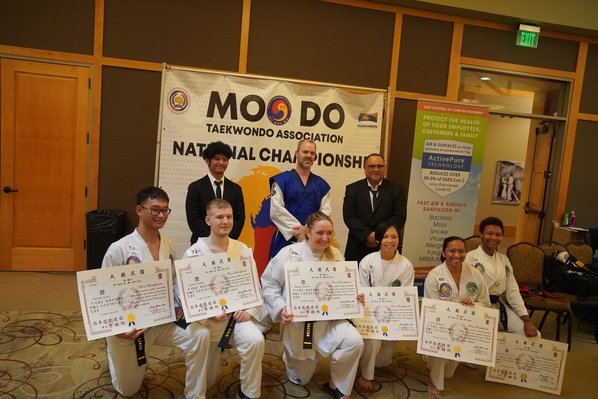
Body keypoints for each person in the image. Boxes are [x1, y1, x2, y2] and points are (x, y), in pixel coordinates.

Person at [101, 186, 207, 399]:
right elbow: (104, 294)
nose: (161, 215)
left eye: (165, 210)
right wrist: (116, 329)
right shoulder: (119, 249)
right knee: (128, 390)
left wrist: (178, 304)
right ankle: (113, 351)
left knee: (201, 335)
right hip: (131, 328)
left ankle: (196, 395)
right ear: (139, 210)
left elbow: (174, 280)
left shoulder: (167, 243)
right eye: (155, 210)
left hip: (162, 319)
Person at [261, 211, 364, 399]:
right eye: (320, 233)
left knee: (354, 341)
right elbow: (269, 283)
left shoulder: (337, 255)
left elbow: (343, 286)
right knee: (301, 379)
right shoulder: (289, 254)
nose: (325, 238)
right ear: (308, 232)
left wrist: (354, 297)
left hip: (330, 321)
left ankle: (338, 386)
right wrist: (280, 307)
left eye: (329, 233)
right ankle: (293, 360)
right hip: (300, 324)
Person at [182, 199, 265, 399]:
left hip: (235, 319)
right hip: (204, 322)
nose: (225, 221)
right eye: (219, 217)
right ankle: (195, 395)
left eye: (229, 217)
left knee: (256, 340)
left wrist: (249, 311)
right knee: (208, 377)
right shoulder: (193, 253)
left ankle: (249, 393)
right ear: (208, 220)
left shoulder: (242, 249)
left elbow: (254, 286)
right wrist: (208, 313)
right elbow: (183, 294)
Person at [424, 236, 490, 398]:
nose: (457, 255)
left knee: (449, 374)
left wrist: (473, 305)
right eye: (452, 251)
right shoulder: (434, 276)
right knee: (441, 354)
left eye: (461, 251)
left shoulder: (474, 274)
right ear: (443, 252)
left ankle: (447, 362)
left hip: (466, 328)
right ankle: (435, 381)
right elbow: (433, 309)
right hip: (442, 327)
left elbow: (485, 303)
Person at [356, 222, 414, 391]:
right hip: (369, 311)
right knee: (373, 341)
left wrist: (397, 327)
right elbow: (362, 289)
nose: (390, 240)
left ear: (399, 239)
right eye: (386, 237)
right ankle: (366, 374)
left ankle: (366, 358)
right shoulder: (368, 261)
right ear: (378, 240)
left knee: (383, 362)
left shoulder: (406, 265)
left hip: (392, 315)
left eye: (394, 237)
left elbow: (405, 298)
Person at [465, 216, 539, 338]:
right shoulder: (470, 258)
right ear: (481, 235)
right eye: (489, 233)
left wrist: (527, 320)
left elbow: (513, 291)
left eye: (498, 235)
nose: (493, 238)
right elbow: (466, 291)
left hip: (499, 305)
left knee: (534, 335)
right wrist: (489, 319)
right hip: (477, 306)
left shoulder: (504, 260)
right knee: (491, 336)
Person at [268, 139, 331, 259]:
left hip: (313, 240)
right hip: (286, 238)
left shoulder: (322, 185)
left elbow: (325, 211)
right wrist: (297, 231)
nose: (308, 156)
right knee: (284, 274)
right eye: (305, 152)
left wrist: (308, 229)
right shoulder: (282, 180)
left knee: (310, 275)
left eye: (312, 153)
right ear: (297, 153)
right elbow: (276, 209)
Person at [343, 153, 407, 262]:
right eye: (371, 166)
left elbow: (399, 217)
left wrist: (379, 235)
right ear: (365, 168)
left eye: (380, 166)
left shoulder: (397, 190)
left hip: (385, 248)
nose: (376, 169)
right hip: (357, 248)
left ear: (384, 168)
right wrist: (367, 235)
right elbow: (349, 217)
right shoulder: (352, 189)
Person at [185, 141, 245, 244]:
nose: (221, 162)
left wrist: (226, 239)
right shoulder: (195, 187)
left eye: (225, 159)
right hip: (202, 244)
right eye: (217, 159)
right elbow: (193, 219)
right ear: (207, 161)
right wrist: (213, 239)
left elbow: (239, 218)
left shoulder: (236, 189)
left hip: (228, 244)